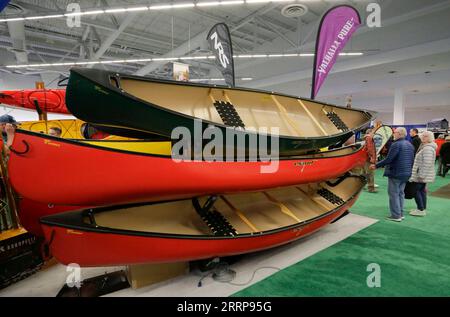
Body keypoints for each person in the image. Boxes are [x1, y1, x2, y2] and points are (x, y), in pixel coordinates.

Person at [373, 127, 415, 222]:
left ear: (399, 134)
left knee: (394, 194)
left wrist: (376, 165)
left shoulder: (396, 145)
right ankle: (400, 213)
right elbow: (412, 160)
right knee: (400, 194)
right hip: (406, 173)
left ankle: (396, 216)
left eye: (395, 132)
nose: (393, 134)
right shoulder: (409, 144)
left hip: (396, 173)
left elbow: (389, 159)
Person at [409, 131, 437, 217]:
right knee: (421, 191)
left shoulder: (427, 148)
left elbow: (427, 163)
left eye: (426, 136)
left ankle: (420, 209)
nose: (423, 137)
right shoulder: (426, 147)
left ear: (430, 138)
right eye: (423, 136)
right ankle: (421, 208)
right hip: (421, 174)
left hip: (421, 175)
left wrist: (421, 175)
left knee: (416, 191)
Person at [363, 128, 377, 193]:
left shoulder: (366, 138)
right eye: (373, 132)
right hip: (369, 159)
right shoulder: (369, 138)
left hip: (366, 158)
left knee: (366, 173)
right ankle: (371, 188)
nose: (374, 134)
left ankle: (364, 186)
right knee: (370, 173)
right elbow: (370, 148)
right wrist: (372, 157)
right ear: (370, 132)